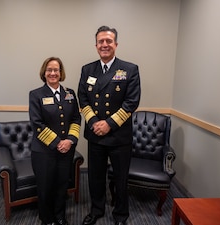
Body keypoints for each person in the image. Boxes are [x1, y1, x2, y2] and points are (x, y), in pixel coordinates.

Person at [78, 26, 141, 225]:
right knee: (95, 177)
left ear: (116, 44)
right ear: (96, 45)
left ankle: (121, 215)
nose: (104, 45)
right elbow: (83, 98)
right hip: (95, 134)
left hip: (119, 136)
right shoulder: (88, 69)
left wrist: (109, 124)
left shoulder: (129, 69)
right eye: (101, 42)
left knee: (121, 179)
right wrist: (96, 123)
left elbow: (131, 102)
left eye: (108, 41)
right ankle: (96, 210)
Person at [29, 57, 81, 225]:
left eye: (56, 70)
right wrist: (59, 142)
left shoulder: (70, 94)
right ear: (44, 73)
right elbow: (37, 124)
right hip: (44, 151)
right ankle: (47, 219)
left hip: (66, 150)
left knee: (61, 186)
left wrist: (70, 141)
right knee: (45, 187)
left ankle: (60, 216)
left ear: (61, 72)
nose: (53, 73)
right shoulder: (36, 94)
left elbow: (76, 119)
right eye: (49, 70)